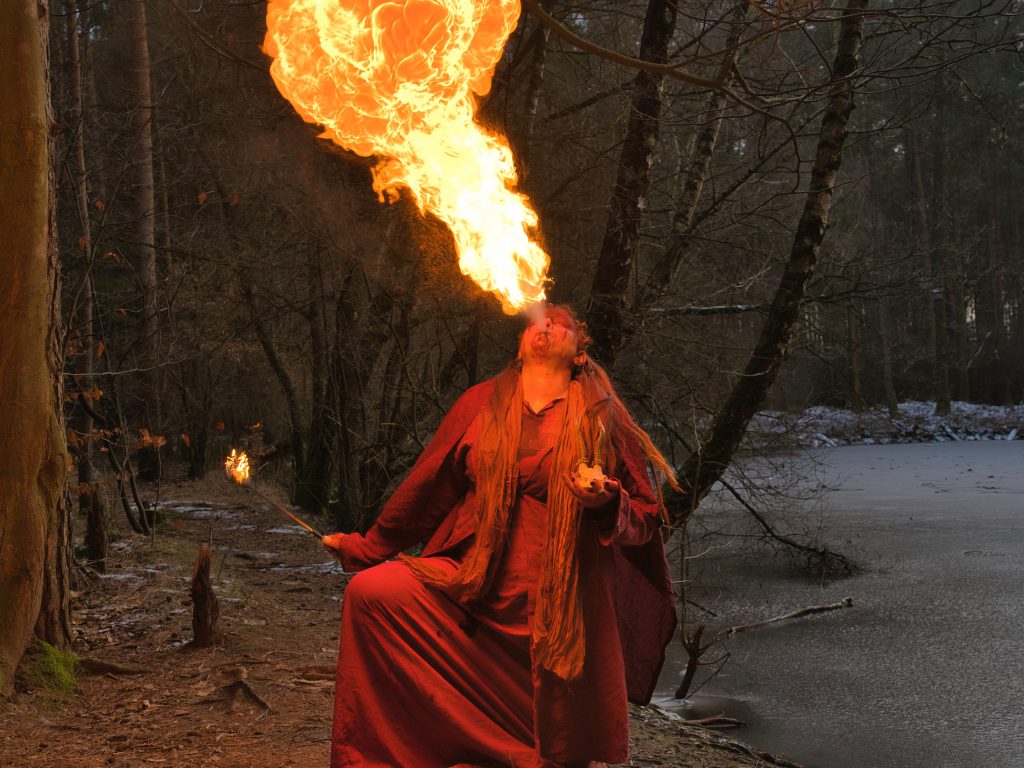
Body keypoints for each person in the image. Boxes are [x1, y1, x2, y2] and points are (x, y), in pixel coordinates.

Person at [322, 304, 680, 768]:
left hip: (560, 597)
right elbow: (427, 488)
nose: (546, 326)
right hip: (475, 580)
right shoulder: (480, 402)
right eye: (539, 320)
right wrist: (365, 548)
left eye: (561, 324)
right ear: (520, 343)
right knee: (371, 594)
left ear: (578, 355)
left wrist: (607, 504)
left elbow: (648, 516)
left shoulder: (602, 416)